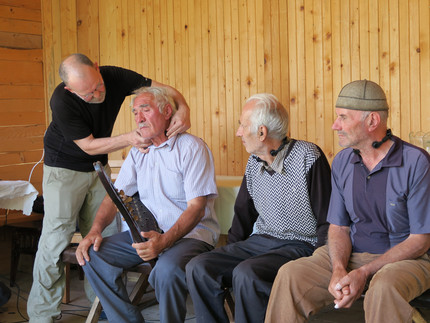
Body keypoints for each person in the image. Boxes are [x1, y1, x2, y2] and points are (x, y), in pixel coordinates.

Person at [27, 53, 191, 323]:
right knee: (55, 241)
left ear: (97, 68)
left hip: (98, 167)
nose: (97, 94)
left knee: (102, 237)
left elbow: (162, 90)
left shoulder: (114, 76)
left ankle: (102, 307)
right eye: (88, 94)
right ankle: (42, 315)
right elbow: (88, 145)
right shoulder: (62, 100)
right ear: (70, 89)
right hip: (64, 168)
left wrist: (183, 106)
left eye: (98, 86)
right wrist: (130, 138)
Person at [265, 80, 430, 323]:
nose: (335, 125)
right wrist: (339, 269)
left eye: (343, 117)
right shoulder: (342, 162)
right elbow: (339, 227)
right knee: (291, 275)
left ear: (372, 121)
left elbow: (420, 240)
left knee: (383, 287)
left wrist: (364, 273)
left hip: (407, 259)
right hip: (353, 254)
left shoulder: (416, 162)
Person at [75, 86, 220, 323]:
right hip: (150, 234)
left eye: (145, 110)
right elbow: (116, 197)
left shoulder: (192, 147)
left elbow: (196, 208)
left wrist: (164, 241)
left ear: (166, 112)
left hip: (191, 236)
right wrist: (95, 230)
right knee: (93, 254)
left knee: (166, 271)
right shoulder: (138, 152)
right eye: (134, 113)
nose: (139, 119)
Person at [186, 93, 331, 323]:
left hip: (300, 245)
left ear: (262, 132)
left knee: (247, 274)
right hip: (260, 242)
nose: (238, 133)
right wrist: (228, 254)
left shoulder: (307, 156)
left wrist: (320, 262)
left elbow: (327, 218)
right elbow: (243, 214)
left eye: (242, 126)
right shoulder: (254, 161)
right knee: (199, 266)